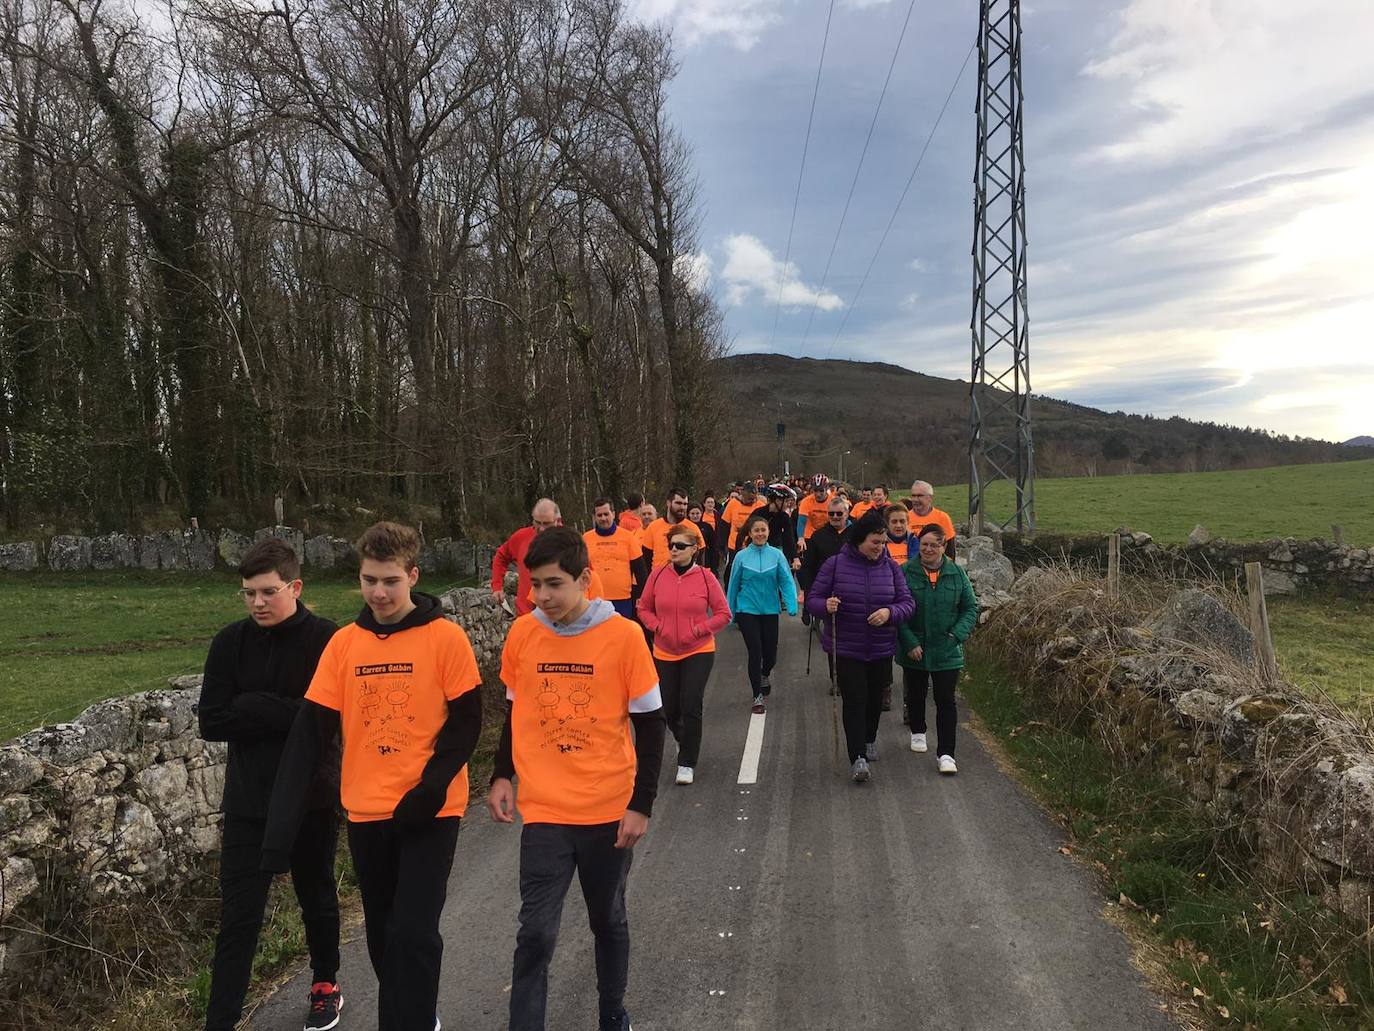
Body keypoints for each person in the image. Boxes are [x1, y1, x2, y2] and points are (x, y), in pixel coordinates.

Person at [263, 522, 483, 1031]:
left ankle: (407, 1021)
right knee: (384, 936)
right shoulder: (344, 646)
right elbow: (309, 736)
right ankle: (416, 1012)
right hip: (366, 810)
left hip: (432, 809)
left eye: (390, 581)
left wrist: (430, 789)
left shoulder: (445, 638)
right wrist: (279, 831)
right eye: (368, 581)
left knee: (414, 930)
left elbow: (467, 721)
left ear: (413, 576)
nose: (379, 593)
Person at [488, 528, 665, 1031]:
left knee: (606, 919)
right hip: (544, 811)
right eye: (533, 585)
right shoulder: (524, 632)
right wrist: (503, 774)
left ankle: (613, 1011)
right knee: (536, 934)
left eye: (553, 585)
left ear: (585, 579)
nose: (541, 597)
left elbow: (651, 724)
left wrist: (641, 803)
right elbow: (514, 710)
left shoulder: (624, 637)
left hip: (608, 809)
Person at [198, 539, 342, 1031]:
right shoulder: (229, 643)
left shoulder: (327, 640)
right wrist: (285, 709)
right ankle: (221, 1020)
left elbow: (326, 719)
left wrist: (252, 705)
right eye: (248, 594)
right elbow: (212, 721)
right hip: (249, 799)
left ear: (295, 587)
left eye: (267, 592)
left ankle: (326, 983)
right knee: (238, 918)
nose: (257, 603)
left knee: (316, 896)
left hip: (311, 797)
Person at [805, 513, 914, 783]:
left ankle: (868, 739)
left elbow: (907, 603)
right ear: (859, 541)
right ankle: (857, 758)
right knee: (854, 700)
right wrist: (825, 605)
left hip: (880, 646)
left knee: (875, 699)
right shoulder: (835, 565)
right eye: (875, 542)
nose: (880, 547)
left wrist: (890, 613)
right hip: (846, 646)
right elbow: (813, 599)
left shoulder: (891, 568)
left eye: (883, 542)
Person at [636, 525, 731, 786]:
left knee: (691, 703)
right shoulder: (657, 576)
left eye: (680, 546)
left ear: (694, 549)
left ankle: (687, 762)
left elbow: (724, 614)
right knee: (668, 707)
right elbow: (643, 608)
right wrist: (657, 627)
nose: (674, 550)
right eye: (671, 546)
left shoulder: (705, 578)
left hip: (698, 649)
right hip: (665, 650)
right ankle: (683, 738)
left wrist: (699, 629)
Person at [898, 524, 978, 775]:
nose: (929, 549)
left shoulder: (956, 573)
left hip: (947, 648)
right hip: (915, 647)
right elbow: (897, 609)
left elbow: (970, 607)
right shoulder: (904, 572)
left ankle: (946, 754)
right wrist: (909, 642)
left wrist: (956, 635)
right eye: (924, 545)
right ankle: (918, 730)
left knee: (946, 700)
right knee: (916, 693)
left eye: (934, 545)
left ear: (944, 547)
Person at [726, 512, 799, 713]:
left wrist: (792, 603)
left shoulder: (776, 555)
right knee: (755, 651)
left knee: (770, 655)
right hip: (746, 609)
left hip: (769, 609)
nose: (760, 533)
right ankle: (757, 696)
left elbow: (785, 579)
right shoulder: (741, 556)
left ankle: (765, 673)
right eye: (756, 530)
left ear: (768, 532)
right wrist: (730, 611)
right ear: (750, 533)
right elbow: (733, 585)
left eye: (763, 530)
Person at [584, 497, 650, 620]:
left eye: (606, 514)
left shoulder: (628, 537)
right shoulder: (586, 539)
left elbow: (640, 570)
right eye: (599, 515)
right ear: (594, 517)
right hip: (594, 600)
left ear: (613, 514)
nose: (603, 518)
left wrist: (642, 596)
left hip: (622, 599)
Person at [492, 498, 561, 615]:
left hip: (558, 617)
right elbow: (501, 556)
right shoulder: (521, 537)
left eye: (547, 524)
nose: (542, 529)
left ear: (558, 521)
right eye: (538, 523)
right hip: (526, 614)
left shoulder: (571, 543)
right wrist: (497, 585)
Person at [641, 487, 706, 569]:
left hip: (684, 578)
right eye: (678, 503)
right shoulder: (653, 527)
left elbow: (700, 559)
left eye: (685, 504)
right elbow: (646, 558)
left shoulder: (692, 528)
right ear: (668, 503)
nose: (682, 507)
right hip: (659, 578)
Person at [908, 479, 958, 558]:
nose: (915, 499)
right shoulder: (905, 518)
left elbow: (950, 550)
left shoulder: (942, 518)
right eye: (913, 496)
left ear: (930, 498)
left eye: (920, 496)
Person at [760, 483, 801, 570]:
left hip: (776, 550)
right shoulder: (759, 513)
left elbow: (789, 537)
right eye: (786, 501)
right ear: (778, 501)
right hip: (758, 549)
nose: (788, 504)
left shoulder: (784, 516)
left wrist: (795, 558)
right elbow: (746, 532)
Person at [796, 474, 833, 550]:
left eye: (821, 491)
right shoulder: (806, 501)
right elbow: (801, 522)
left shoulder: (833, 502)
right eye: (815, 490)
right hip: (810, 536)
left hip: (827, 535)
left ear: (827, 489)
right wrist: (800, 538)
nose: (818, 494)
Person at [688, 500, 720, 575]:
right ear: (688, 514)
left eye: (697, 513)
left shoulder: (707, 527)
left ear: (701, 514)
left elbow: (713, 547)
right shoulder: (685, 527)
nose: (695, 516)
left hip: (705, 559)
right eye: (692, 513)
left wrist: (714, 567)